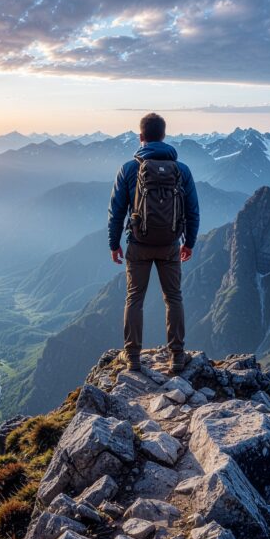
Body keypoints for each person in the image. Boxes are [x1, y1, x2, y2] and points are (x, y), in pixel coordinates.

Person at [107, 112, 200, 375]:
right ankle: (177, 356)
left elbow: (116, 211)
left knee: (134, 298)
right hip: (171, 243)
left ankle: (133, 357)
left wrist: (114, 244)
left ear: (141, 137)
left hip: (138, 243)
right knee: (173, 297)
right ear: (164, 135)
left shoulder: (128, 169)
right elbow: (192, 210)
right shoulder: (181, 170)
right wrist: (188, 242)